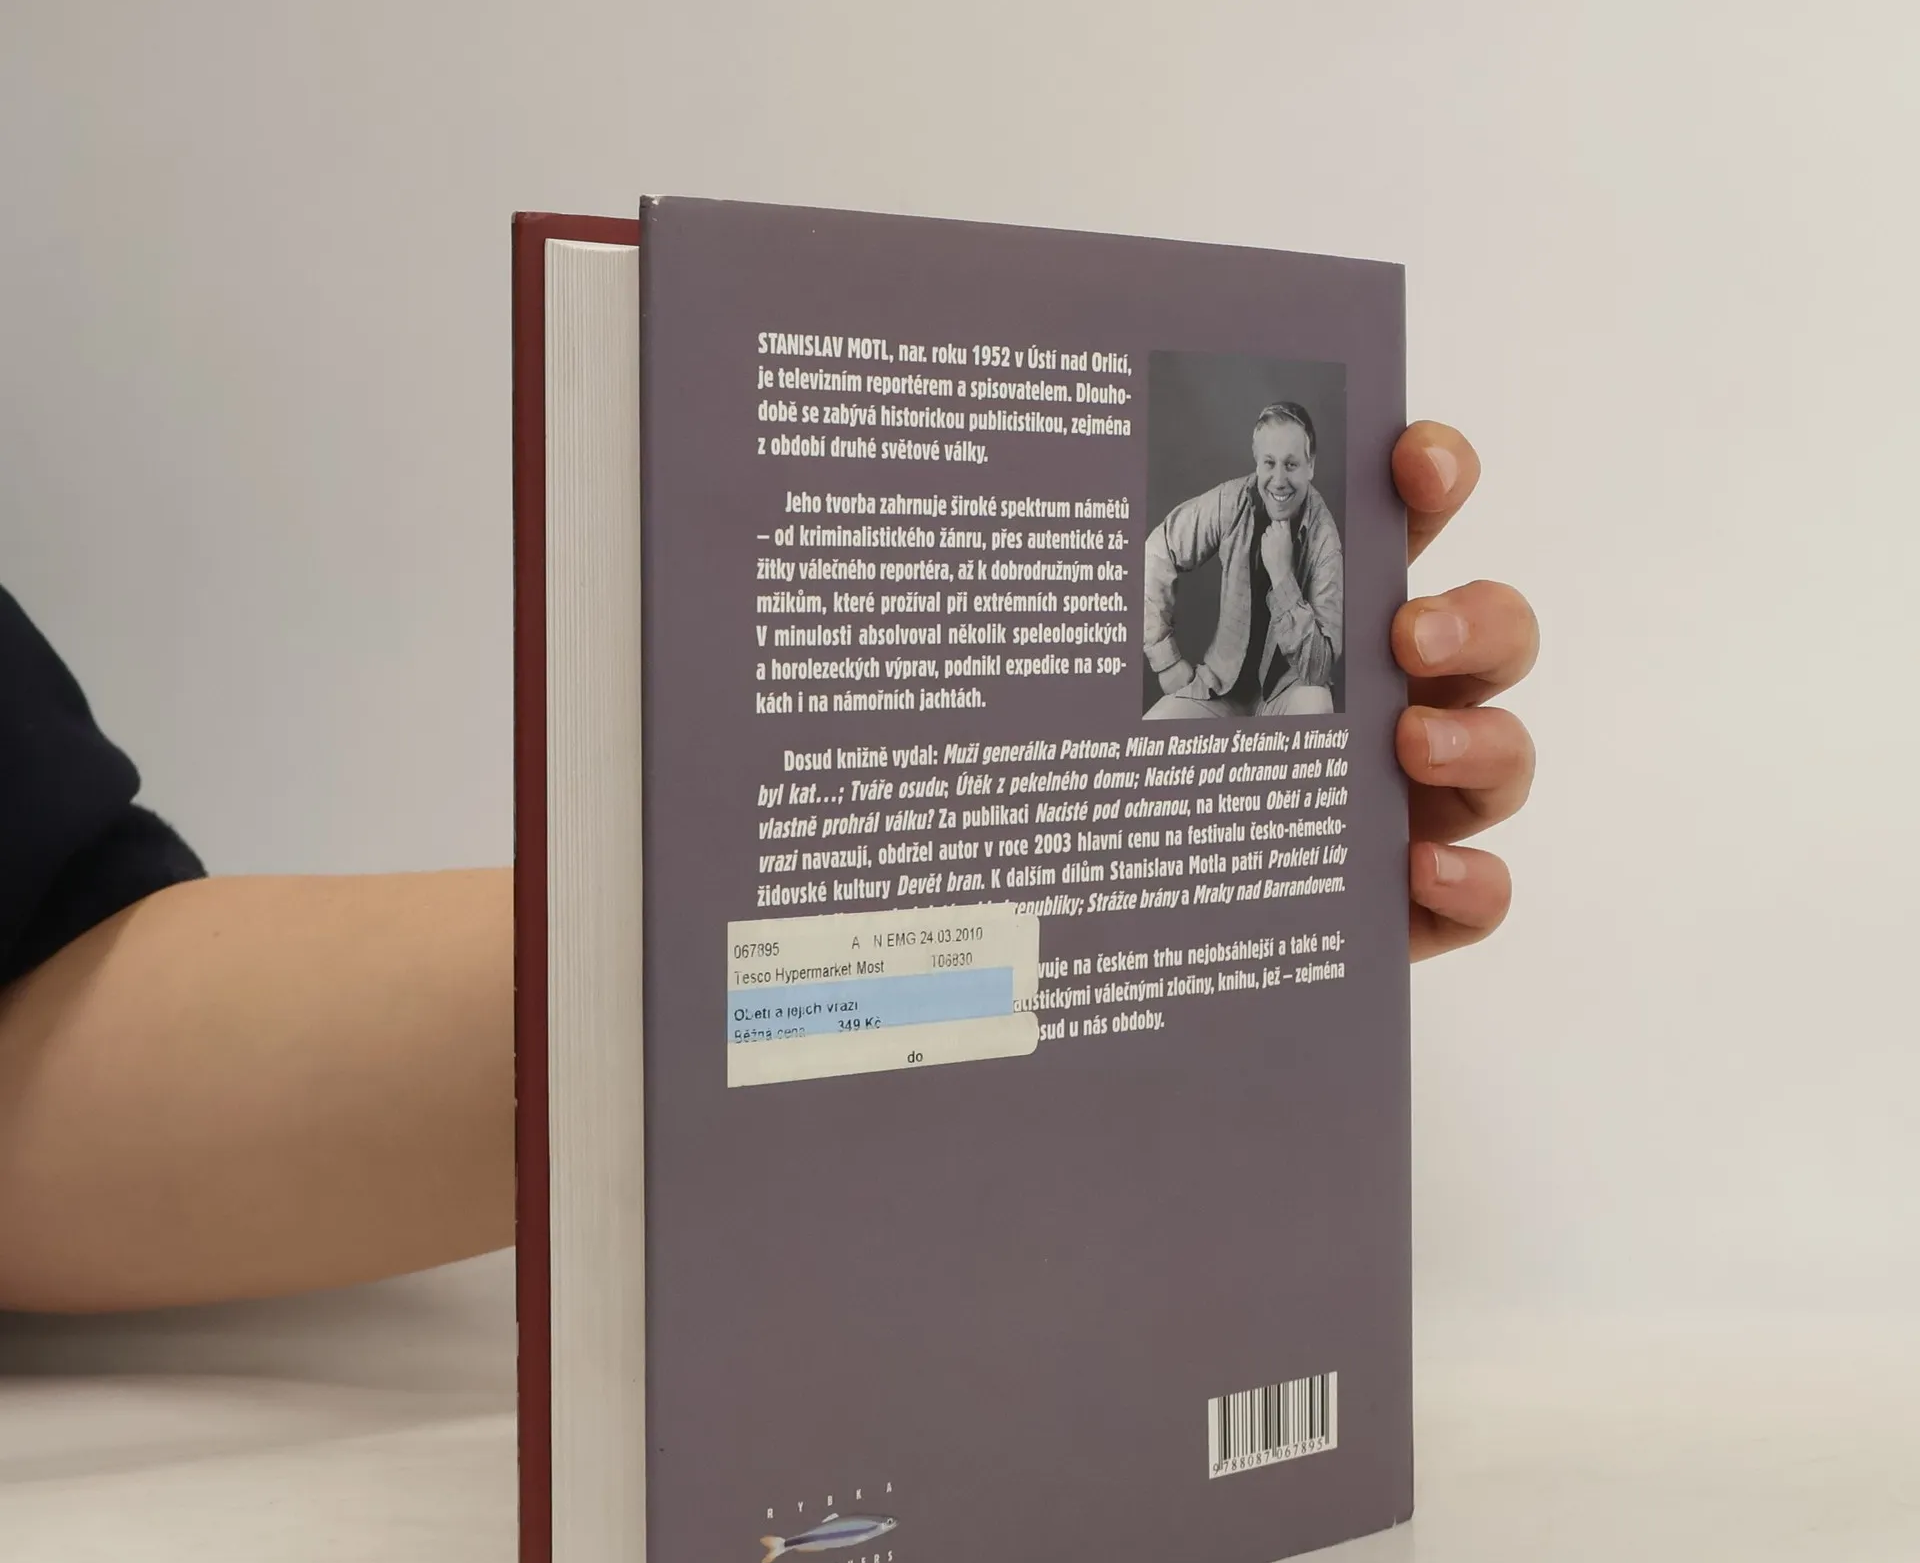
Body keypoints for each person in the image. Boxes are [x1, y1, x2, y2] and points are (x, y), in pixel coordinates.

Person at [0, 421, 1534, 1316]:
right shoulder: (1206, 522)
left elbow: (56, 1040)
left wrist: (1094, 892)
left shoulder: (1295, 538)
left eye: (1297, 462)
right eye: (1270, 461)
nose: (1284, 481)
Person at [1143, 399, 1344, 720]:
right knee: (1155, 727)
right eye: (1269, 463)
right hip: (1218, 691)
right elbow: (1157, 549)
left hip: (1285, 695)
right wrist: (1165, 660)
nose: (1278, 479)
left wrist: (1283, 578)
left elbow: (1318, 670)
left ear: (1311, 466)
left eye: (1291, 465)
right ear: (1257, 463)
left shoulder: (1325, 539)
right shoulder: (1231, 501)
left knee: (1316, 703)